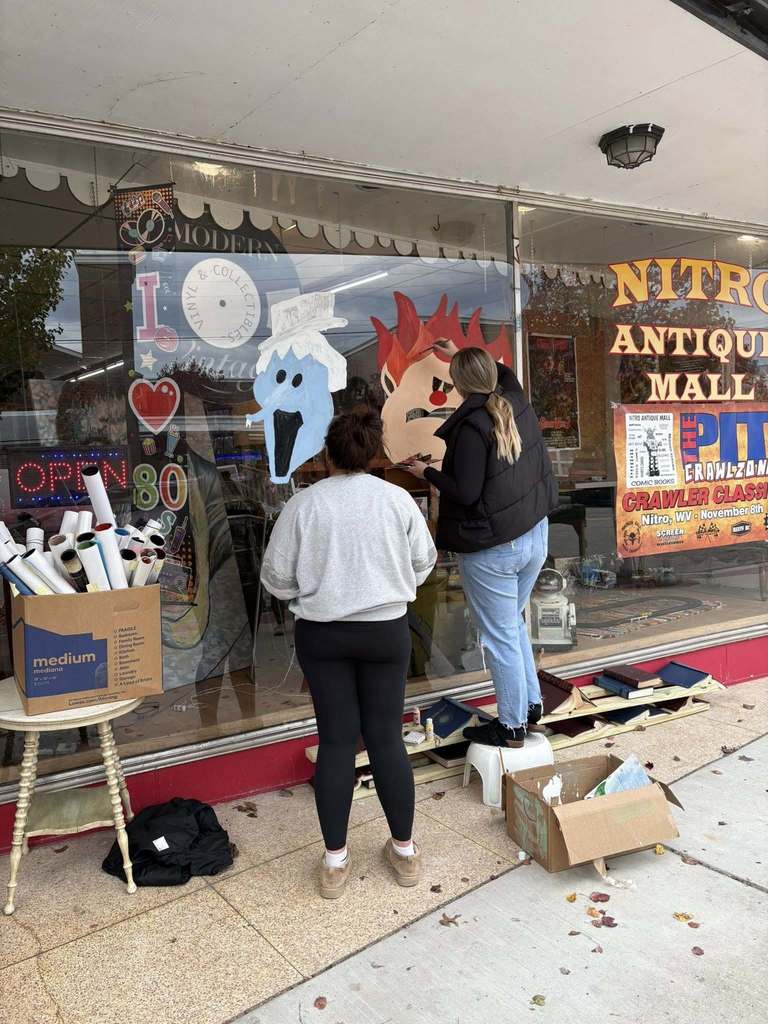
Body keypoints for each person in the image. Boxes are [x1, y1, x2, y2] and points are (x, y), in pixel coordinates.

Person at [260, 410, 437, 898]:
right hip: (386, 631)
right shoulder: (397, 500)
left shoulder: (302, 506)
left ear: (328, 455)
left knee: (337, 741)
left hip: (324, 635)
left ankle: (335, 864)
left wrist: (314, 589)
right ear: (373, 454)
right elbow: (425, 563)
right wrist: (387, 586)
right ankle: (403, 853)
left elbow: (275, 579)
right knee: (386, 740)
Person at [404, 340, 558, 748]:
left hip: (494, 548)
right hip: (532, 536)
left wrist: (426, 472)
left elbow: (466, 492)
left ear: (457, 383)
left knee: (500, 634)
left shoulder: (472, 426)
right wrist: (462, 351)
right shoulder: (514, 403)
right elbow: (504, 375)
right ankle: (530, 707)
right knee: (513, 625)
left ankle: (510, 726)